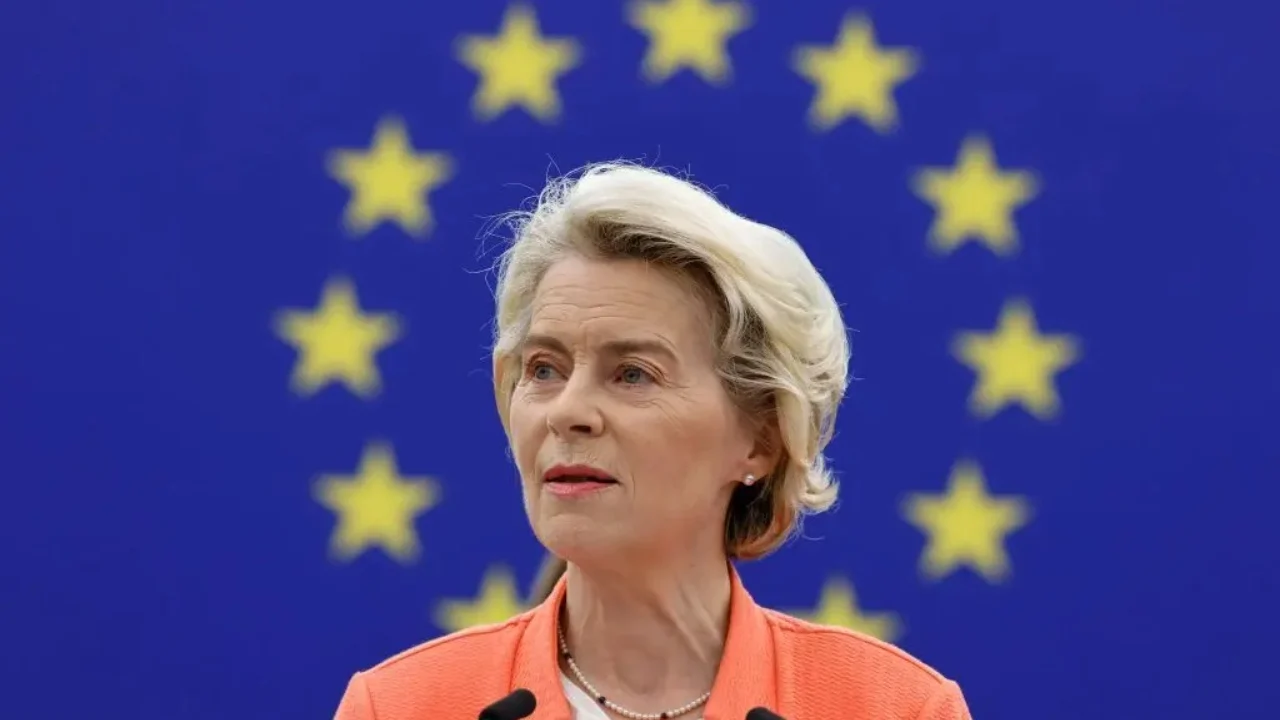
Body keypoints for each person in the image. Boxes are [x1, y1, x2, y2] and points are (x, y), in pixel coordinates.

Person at [332, 163, 972, 720]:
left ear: (762, 438)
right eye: (544, 369)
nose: (568, 412)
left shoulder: (897, 708)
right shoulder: (397, 706)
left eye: (633, 374)